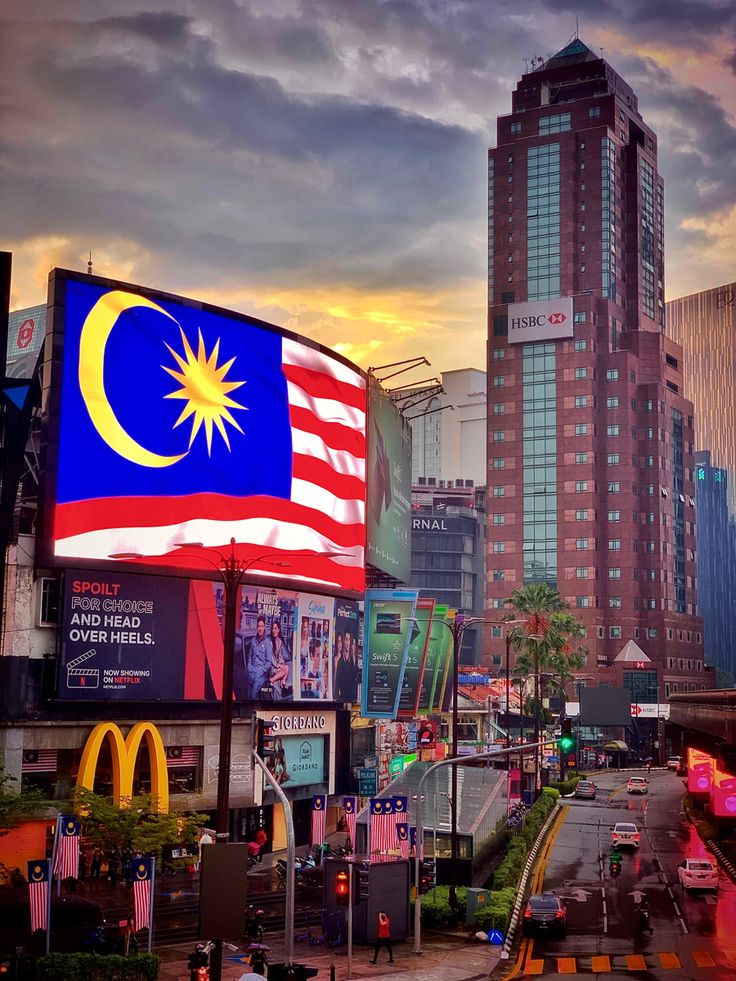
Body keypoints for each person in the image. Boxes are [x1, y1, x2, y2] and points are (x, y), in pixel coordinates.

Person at [247, 617, 272, 699]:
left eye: (262, 626)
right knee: (248, 695)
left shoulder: (267, 642)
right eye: (258, 626)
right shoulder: (253, 640)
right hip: (251, 671)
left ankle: (255, 711)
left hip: (260, 674)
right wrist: (249, 668)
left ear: (264, 627)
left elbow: (269, 662)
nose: (260, 628)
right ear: (257, 627)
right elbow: (250, 656)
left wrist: (260, 672)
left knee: (253, 695)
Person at [269, 619, 291, 700]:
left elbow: (281, 657)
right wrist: (278, 666)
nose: (274, 630)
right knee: (282, 673)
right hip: (271, 666)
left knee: (287, 667)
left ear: (278, 629)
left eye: (275, 628)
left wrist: (282, 664)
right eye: (273, 628)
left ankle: (283, 680)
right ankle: (273, 679)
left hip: (277, 665)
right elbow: (271, 658)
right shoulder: (270, 642)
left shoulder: (280, 642)